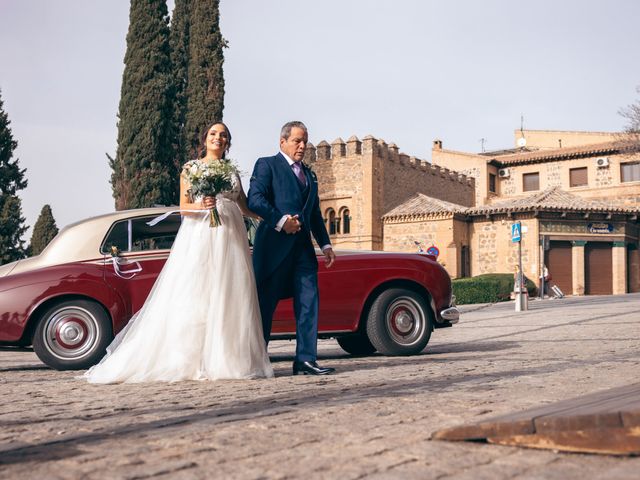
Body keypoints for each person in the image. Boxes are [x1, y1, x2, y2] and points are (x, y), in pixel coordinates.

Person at [84, 122, 274, 383]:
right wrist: (203, 204)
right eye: (213, 134)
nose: (218, 138)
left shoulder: (232, 172)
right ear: (205, 139)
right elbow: (185, 208)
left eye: (223, 135)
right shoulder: (191, 168)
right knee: (198, 291)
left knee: (231, 292)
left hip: (232, 238)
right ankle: (191, 359)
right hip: (202, 235)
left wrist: (268, 219)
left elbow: (242, 205)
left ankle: (228, 358)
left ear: (228, 143)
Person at [248, 121, 336, 376]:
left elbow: (315, 213)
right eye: (297, 140)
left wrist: (326, 243)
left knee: (309, 302)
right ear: (282, 141)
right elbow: (255, 199)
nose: (302, 145)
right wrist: (281, 221)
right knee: (265, 306)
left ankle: (305, 360)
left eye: (305, 141)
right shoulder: (267, 165)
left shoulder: (309, 174)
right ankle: (258, 359)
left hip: (303, 252)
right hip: (273, 249)